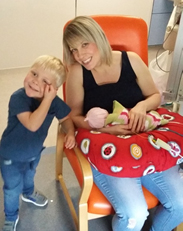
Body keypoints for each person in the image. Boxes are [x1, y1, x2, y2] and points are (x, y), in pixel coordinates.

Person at [62, 16, 183, 231]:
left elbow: (154, 95)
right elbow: (74, 117)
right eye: (73, 50)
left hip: (145, 142)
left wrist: (141, 107)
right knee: (134, 214)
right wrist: (103, 128)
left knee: (180, 205)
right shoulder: (77, 72)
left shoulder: (132, 60)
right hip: (108, 148)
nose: (79, 55)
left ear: (97, 38)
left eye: (84, 44)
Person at [0, 55, 76, 231]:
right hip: (10, 154)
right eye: (34, 73)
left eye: (44, 80)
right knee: (11, 188)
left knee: (29, 174)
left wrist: (70, 132)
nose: (34, 81)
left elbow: (65, 119)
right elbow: (33, 125)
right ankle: (11, 216)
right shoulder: (18, 98)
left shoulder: (55, 103)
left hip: (34, 152)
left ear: (53, 89)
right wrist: (48, 100)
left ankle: (28, 193)